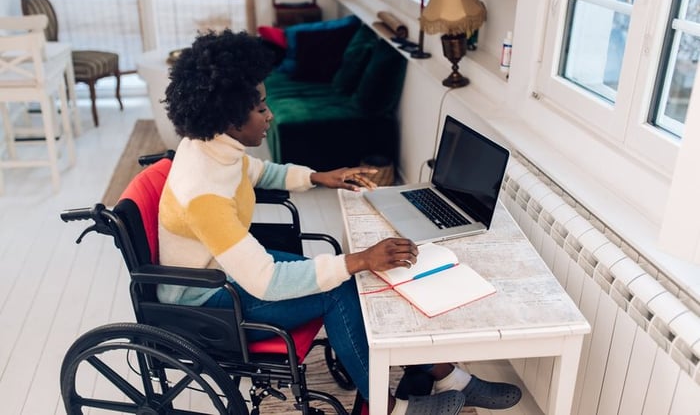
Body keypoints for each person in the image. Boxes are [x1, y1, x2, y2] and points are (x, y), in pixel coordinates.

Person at [159, 29, 522, 414]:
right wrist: (359, 260)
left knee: (355, 275)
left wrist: (317, 176)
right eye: (262, 108)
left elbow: (256, 172)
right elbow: (265, 281)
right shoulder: (204, 195)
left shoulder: (213, 146)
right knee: (342, 286)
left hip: (226, 270)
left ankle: (446, 374)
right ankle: (388, 408)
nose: (271, 115)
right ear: (230, 118)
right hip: (207, 299)